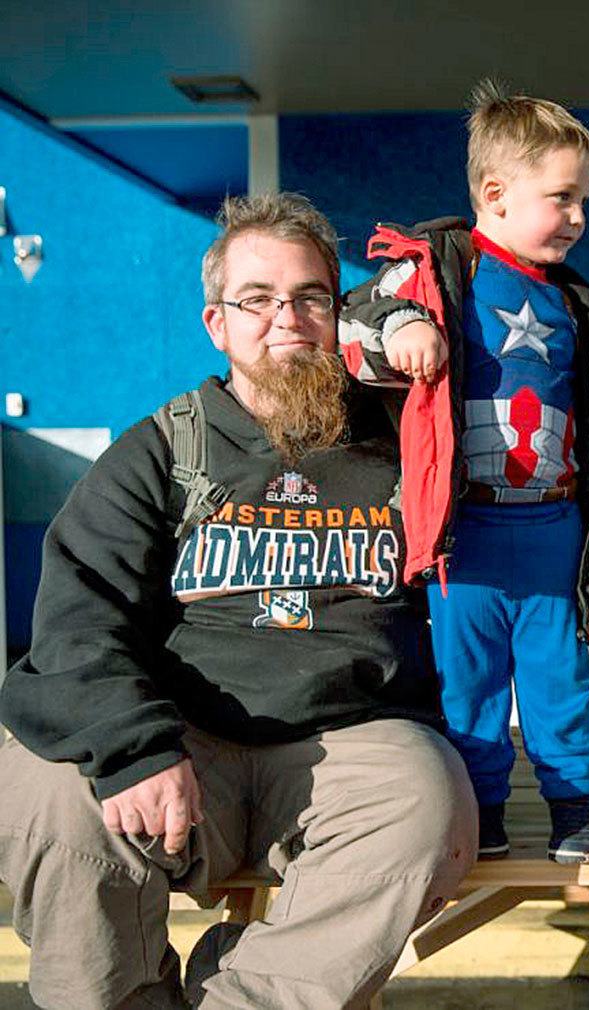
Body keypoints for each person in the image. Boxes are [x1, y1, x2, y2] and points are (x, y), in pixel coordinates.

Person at [0, 193, 477, 1010]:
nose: (285, 319)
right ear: (217, 324)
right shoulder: (161, 447)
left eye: (309, 297)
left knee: (426, 803)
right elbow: (80, 616)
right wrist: (138, 749)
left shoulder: (404, 438)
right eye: (257, 299)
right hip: (184, 741)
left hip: (350, 746)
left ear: (341, 312)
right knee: (44, 793)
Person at [339, 81, 589, 865]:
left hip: (550, 526)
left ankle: (575, 808)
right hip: (463, 529)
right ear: (496, 194)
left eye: (583, 201)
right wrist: (402, 326)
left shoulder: (575, 303)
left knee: (557, 680)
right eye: (563, 198)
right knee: (467, 686)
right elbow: (354, 318)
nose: (578, 218)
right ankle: (481, 811)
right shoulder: (436, 268)